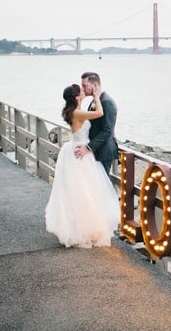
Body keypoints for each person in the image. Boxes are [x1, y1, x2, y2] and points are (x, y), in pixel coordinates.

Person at [45, 84, 119, 248]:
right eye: (81, 90)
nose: (83, 91)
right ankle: (84, 230)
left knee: (82, 192)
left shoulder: (75, 110)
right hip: (81, 152)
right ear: (77, 96)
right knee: (85, 192)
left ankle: (85, 228)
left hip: (77, 149)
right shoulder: (78, 113)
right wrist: (98, 97)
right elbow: (99, 113)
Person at [74, 72, 118, 174]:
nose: (82, 89)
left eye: (84, 85)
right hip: (95, 150)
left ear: (95, 85)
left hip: (103, 151)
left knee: (102, 185)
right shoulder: (95, 101)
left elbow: (107, 130)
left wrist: (88, 147)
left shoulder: (106, 102)